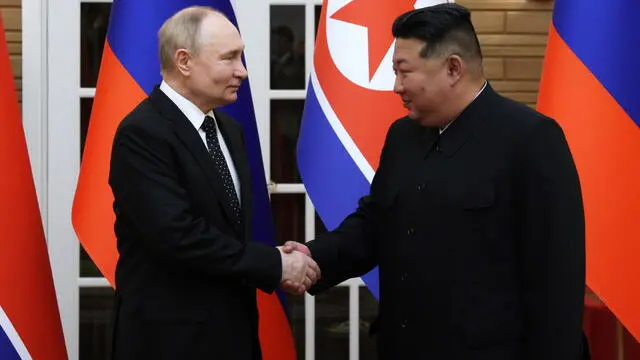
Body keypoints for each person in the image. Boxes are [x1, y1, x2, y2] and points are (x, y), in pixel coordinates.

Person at [285, 3, 587, 360]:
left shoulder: (530, 140)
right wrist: (312, 257)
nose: (396, 86)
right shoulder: (403, 136)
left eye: (403, 71)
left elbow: (556, 281)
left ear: (453, 68)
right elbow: (377, 223)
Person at [108, 7, 319, 360]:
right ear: (184, 61)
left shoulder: (228, 131)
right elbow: (178, 236)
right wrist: (272, 264)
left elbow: (226, 231)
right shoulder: (142, 133)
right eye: (229, 58)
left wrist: (275, 258)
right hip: (170, 341)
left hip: (233, 335)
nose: (243, 71)